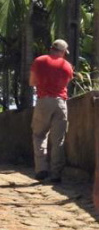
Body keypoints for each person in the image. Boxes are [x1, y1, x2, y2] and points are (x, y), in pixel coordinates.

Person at [29, 40, 74, 183]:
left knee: (39, 135)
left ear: (51, 49)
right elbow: (66, 83)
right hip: (60, 103)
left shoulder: (39, 61)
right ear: (63, 52)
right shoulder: (67, 66)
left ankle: (41, 169)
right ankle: (56, 174)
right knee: (58, 140)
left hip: (43, 101)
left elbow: (32, 82)